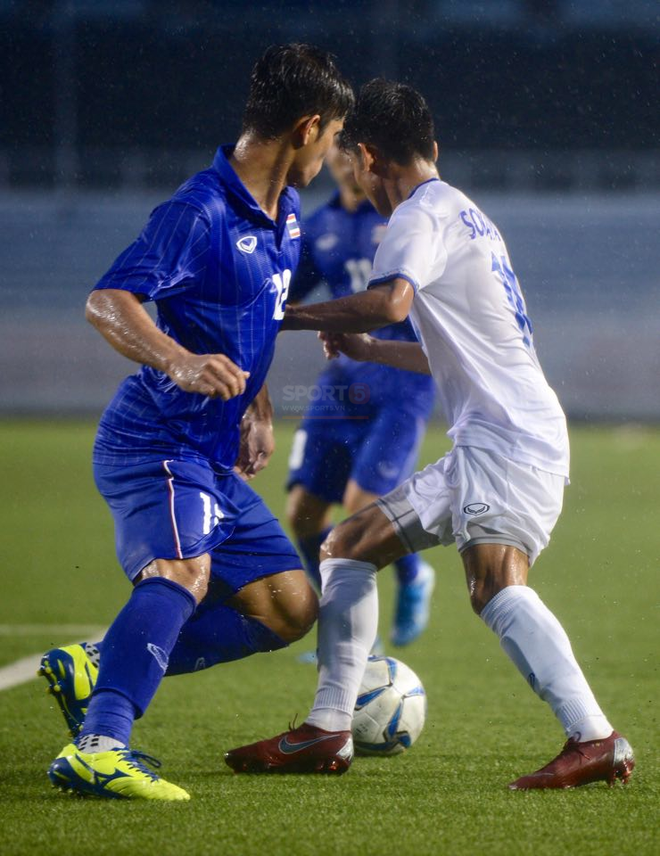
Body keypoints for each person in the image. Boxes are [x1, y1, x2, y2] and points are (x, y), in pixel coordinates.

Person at [224, 79, 635, 789]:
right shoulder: (466, 213)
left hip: (508, 442)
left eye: (362, 166)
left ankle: (594, 737)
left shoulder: (417, 213)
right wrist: (372, 349)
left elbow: (390, 299)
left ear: (372, 156)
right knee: (345, 545)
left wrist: (280, 315)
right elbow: (458, 349)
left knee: (495, 584)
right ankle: (327, 730)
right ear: (434, 147)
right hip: (498, 435)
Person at [39, 43, 353, 801]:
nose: (337, 151)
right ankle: (101, 745)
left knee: (290, 605)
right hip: (156, 441)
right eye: (337, 136)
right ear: (309, 127)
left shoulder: (285, 214)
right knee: (183, 571)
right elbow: (108, 300)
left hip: (210, 448)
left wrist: (258, 405)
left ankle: (97, 662)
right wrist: (178, 361)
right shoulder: (200, 210)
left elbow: (257, 318)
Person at [286, 144, 436, 647]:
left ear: (370, 158)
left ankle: (409, 582)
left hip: (401, 378)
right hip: (342, 383)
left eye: (353, 150)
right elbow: (290, 295)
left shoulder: (404, 222)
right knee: (303, 511)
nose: (343, 160)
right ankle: (341, 620)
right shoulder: (318, 224)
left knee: (361, 504)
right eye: (335, 148)